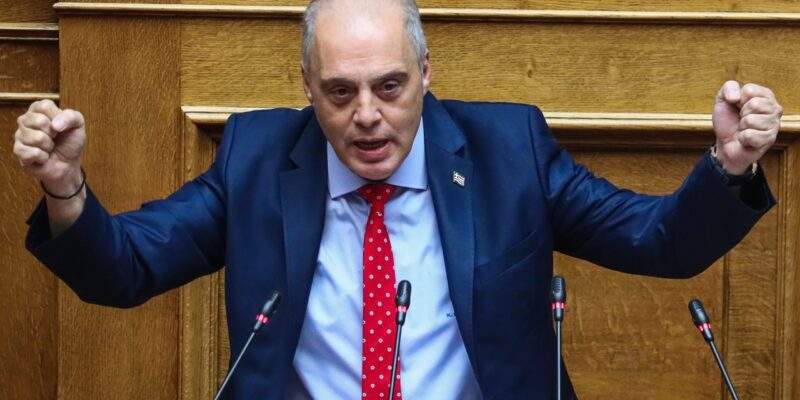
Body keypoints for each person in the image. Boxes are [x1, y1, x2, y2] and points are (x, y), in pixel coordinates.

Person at [13, 0, 781, 398]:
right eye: (339, 92)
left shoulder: (506, 151)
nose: (367, 116)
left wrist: (729, 164)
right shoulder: (257, 158)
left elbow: (657, 242)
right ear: (306, 87)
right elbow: (125, 270)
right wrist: (65, 187)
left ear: (425, 73)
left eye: (389, 86)